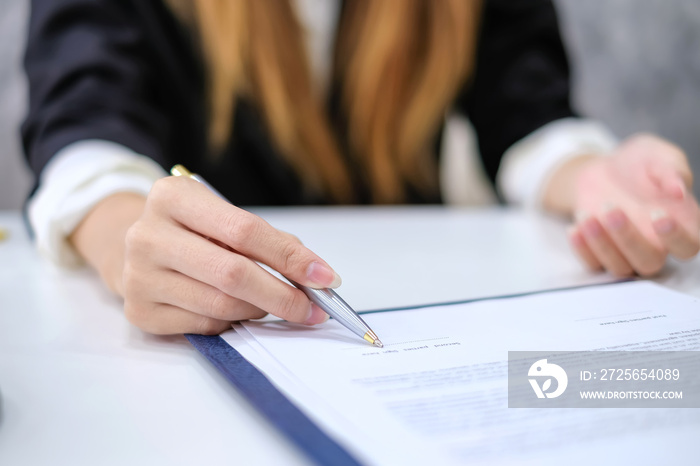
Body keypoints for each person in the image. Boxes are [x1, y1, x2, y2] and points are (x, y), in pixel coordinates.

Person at [22, 0, 700, 335]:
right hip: (219, 351)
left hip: (416, 295)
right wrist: (126, 236)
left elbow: (525, 109)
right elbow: (86, 128)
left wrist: (592, 174)